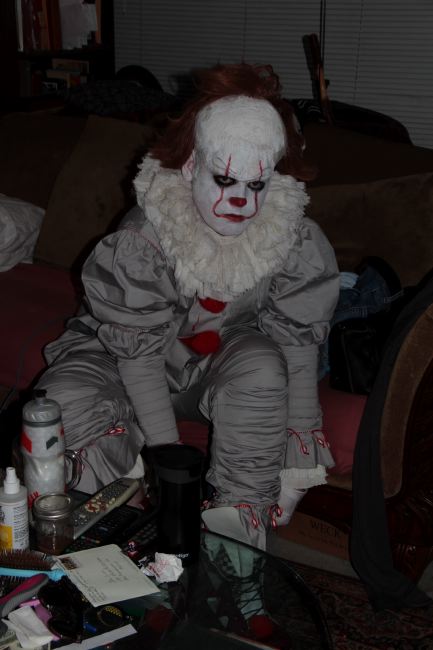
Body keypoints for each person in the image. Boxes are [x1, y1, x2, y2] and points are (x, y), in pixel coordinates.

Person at [36, 62, 340, 549]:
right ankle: (109, 524)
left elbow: (298, 341)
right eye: (224, 179)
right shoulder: (145, 236)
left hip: (211, 365)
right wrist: (166, 458)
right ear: (193, 166)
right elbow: (137, 356)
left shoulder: (291, 234)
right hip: (118, 359)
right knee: (62, 402)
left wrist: (299, 454)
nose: (240, 202)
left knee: (263, 365)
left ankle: (237, 535)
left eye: (255, 185)